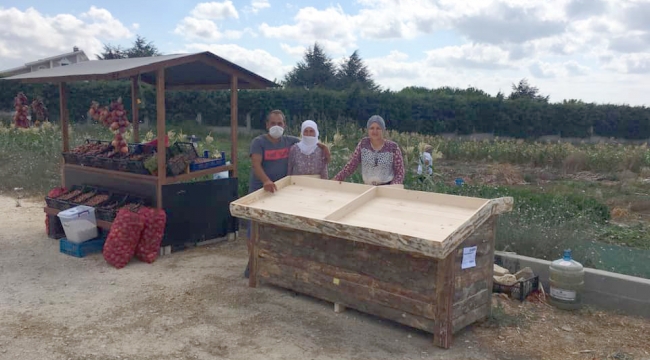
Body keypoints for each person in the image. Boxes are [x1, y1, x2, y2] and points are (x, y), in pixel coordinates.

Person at [244, 110, 330, 278]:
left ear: (284, 125)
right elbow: (256, 165)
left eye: (280, 123)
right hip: (261, 189)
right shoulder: (258, 142)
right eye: (273, 123)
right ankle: (252, 266)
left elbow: (308, 140)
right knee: (254, 227)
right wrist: (266, 181)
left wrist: (323, 146)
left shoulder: (289, 141)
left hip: (280, 191)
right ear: (267, 125)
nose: (277, 126)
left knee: (274, 228)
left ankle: (271, 265)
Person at [333, 115, 404, 186]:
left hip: (387, 188)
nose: (375, 131)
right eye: (372, 128)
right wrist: (337, 179)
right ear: (368, 130)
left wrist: (393, 187)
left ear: (383, 130)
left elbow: (399, 173)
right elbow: (352, 165)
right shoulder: (363, 144)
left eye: (378, 128)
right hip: (368, 187)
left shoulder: (393, 147)